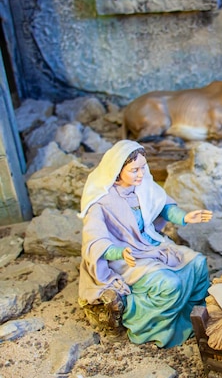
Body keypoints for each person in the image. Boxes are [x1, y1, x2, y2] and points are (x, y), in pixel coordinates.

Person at [78, 139, 213, 348]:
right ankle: (149, 323)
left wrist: (185, 217)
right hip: (124, 256)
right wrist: (119, 252)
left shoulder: (143, 186)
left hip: (150, 244)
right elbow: (95, 242)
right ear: (117, 169)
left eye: (143, 167)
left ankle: (193, 315)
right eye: (134, 170)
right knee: (170, 284)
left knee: (198, 263)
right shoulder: (101, 202)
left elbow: (164, 206)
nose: (141, 174)